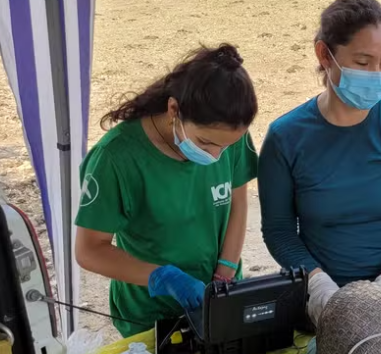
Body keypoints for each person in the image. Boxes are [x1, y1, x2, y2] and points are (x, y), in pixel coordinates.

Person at [258, 0, 381, 327]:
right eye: (362, 62)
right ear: (324, 54)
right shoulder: (286, 137)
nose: (376, 75)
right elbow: (279, 231)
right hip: (323, 305)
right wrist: (317, 283)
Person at [75, 44, 258, 337]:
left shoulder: (227, 135)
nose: (215, 156)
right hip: (150, 313)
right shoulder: (116, 158)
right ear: (174, 110)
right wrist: (161, 276)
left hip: (219, 296)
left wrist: (226, 268)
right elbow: (89, 250)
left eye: (226, 147)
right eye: (205, 143)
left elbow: (238, 201)